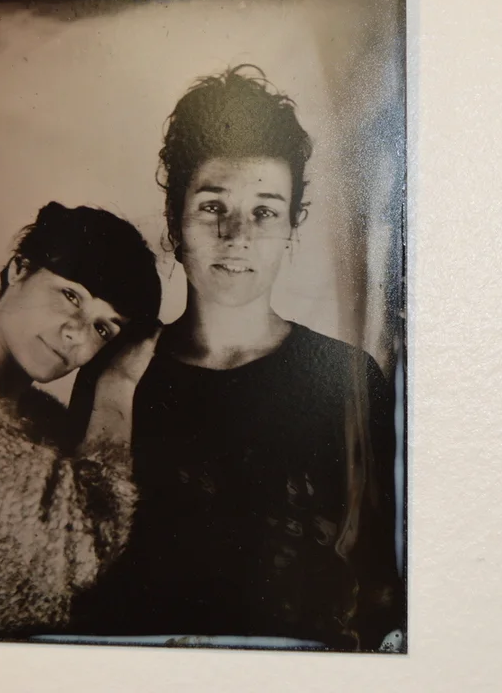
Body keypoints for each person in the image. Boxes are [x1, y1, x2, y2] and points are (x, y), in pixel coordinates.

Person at [68, 67, 404, 651]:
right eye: (211, 207)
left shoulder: (347, 379)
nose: (236, 235)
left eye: (265, 211)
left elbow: (379, 588)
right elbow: (73, 571)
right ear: (174, 221)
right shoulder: (115, 373)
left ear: (293, 224)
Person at [0, 201, 162, 639]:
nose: (76, 332)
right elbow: (86, 546)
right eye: (71, 296)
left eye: (103, 328)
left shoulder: (49, 426)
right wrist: (118, 386)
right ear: (19, 269)